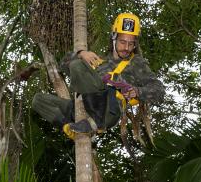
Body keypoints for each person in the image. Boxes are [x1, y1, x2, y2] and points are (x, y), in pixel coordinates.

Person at [32, 12, 165, 138]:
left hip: (108, 110)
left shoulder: (136, 63)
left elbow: (159, 90)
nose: (126, 48)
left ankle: (94, 123)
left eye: (131, 44)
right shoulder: (99, 60)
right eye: (123, 42)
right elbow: (64, 64)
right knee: (38, 100)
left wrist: (136, 91)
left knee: (78, 66)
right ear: (114, 38)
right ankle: (72, 127)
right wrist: (81, 53)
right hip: (83, 106)